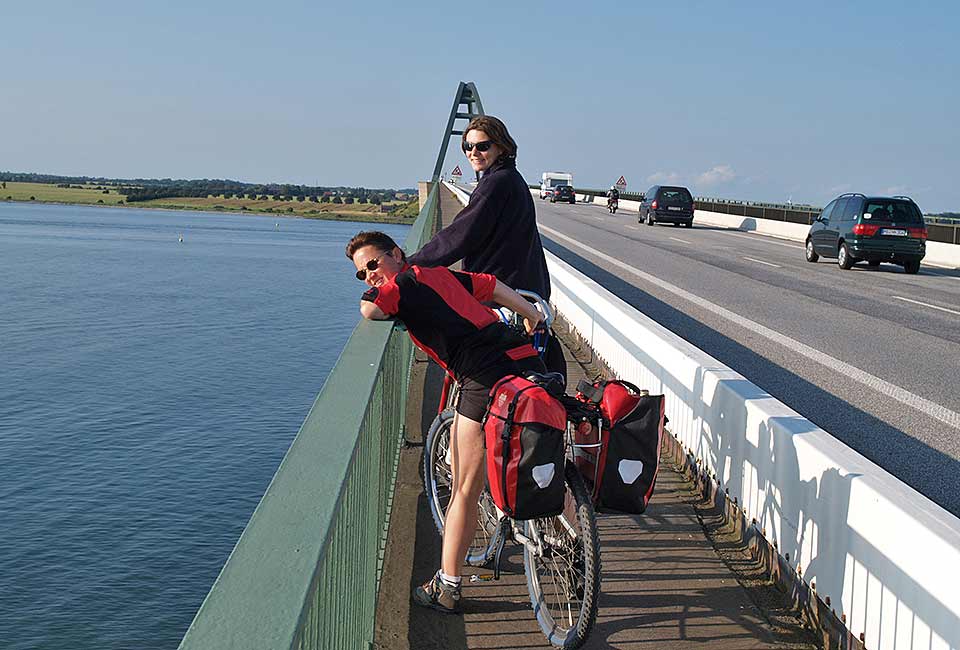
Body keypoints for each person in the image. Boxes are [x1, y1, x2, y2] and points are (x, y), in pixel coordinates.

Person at [346, 230, 546, 614]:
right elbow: (492, 287)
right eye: (361, 273)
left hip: (484, 380)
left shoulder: (401, 285)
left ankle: (448, 587)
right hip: (526, 361)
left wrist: (385, 297)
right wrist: (531, 314)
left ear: (396, 254)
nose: (370, 275)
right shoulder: (435, 273)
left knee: (464, 489)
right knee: (544, 452)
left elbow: (370, 309)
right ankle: (574, 550)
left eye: (373, 264)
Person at [408, 115, 566, 379]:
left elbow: (460, 235)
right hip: (523, 290)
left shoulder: (496, 183)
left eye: (483, 146)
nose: (474, 152)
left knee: (487, 378)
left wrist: (411, 266)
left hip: (506, 294)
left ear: (501, 147)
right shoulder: (509, 179)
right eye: (468, 147)